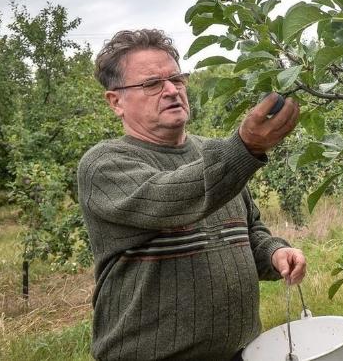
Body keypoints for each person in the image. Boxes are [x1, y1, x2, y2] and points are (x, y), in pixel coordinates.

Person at [77, 29, 306, 361]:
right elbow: (172, 199)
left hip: (243, 352)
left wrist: (274, 253)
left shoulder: (214, 155)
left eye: (177, 79)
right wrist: (243, 148)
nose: (171, 90)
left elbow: (248, 230)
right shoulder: (104, 166)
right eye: (151, 84)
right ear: (116, 102)